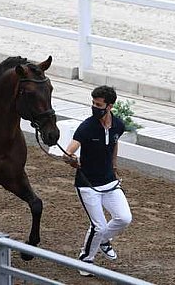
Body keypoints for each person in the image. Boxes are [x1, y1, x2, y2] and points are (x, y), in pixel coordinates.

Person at [63, 85, 133, 277]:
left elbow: (114, 143)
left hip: (109, 182)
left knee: (124, 218)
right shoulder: (86, 127)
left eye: (98, 104)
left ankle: (103, 240)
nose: (94, 107)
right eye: (93, 103)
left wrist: (115, 166)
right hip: (88, 184)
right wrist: (70, 159)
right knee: (99, 225)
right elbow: (70, 150)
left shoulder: (118, 125)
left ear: (109, 106)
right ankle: (86, 260)